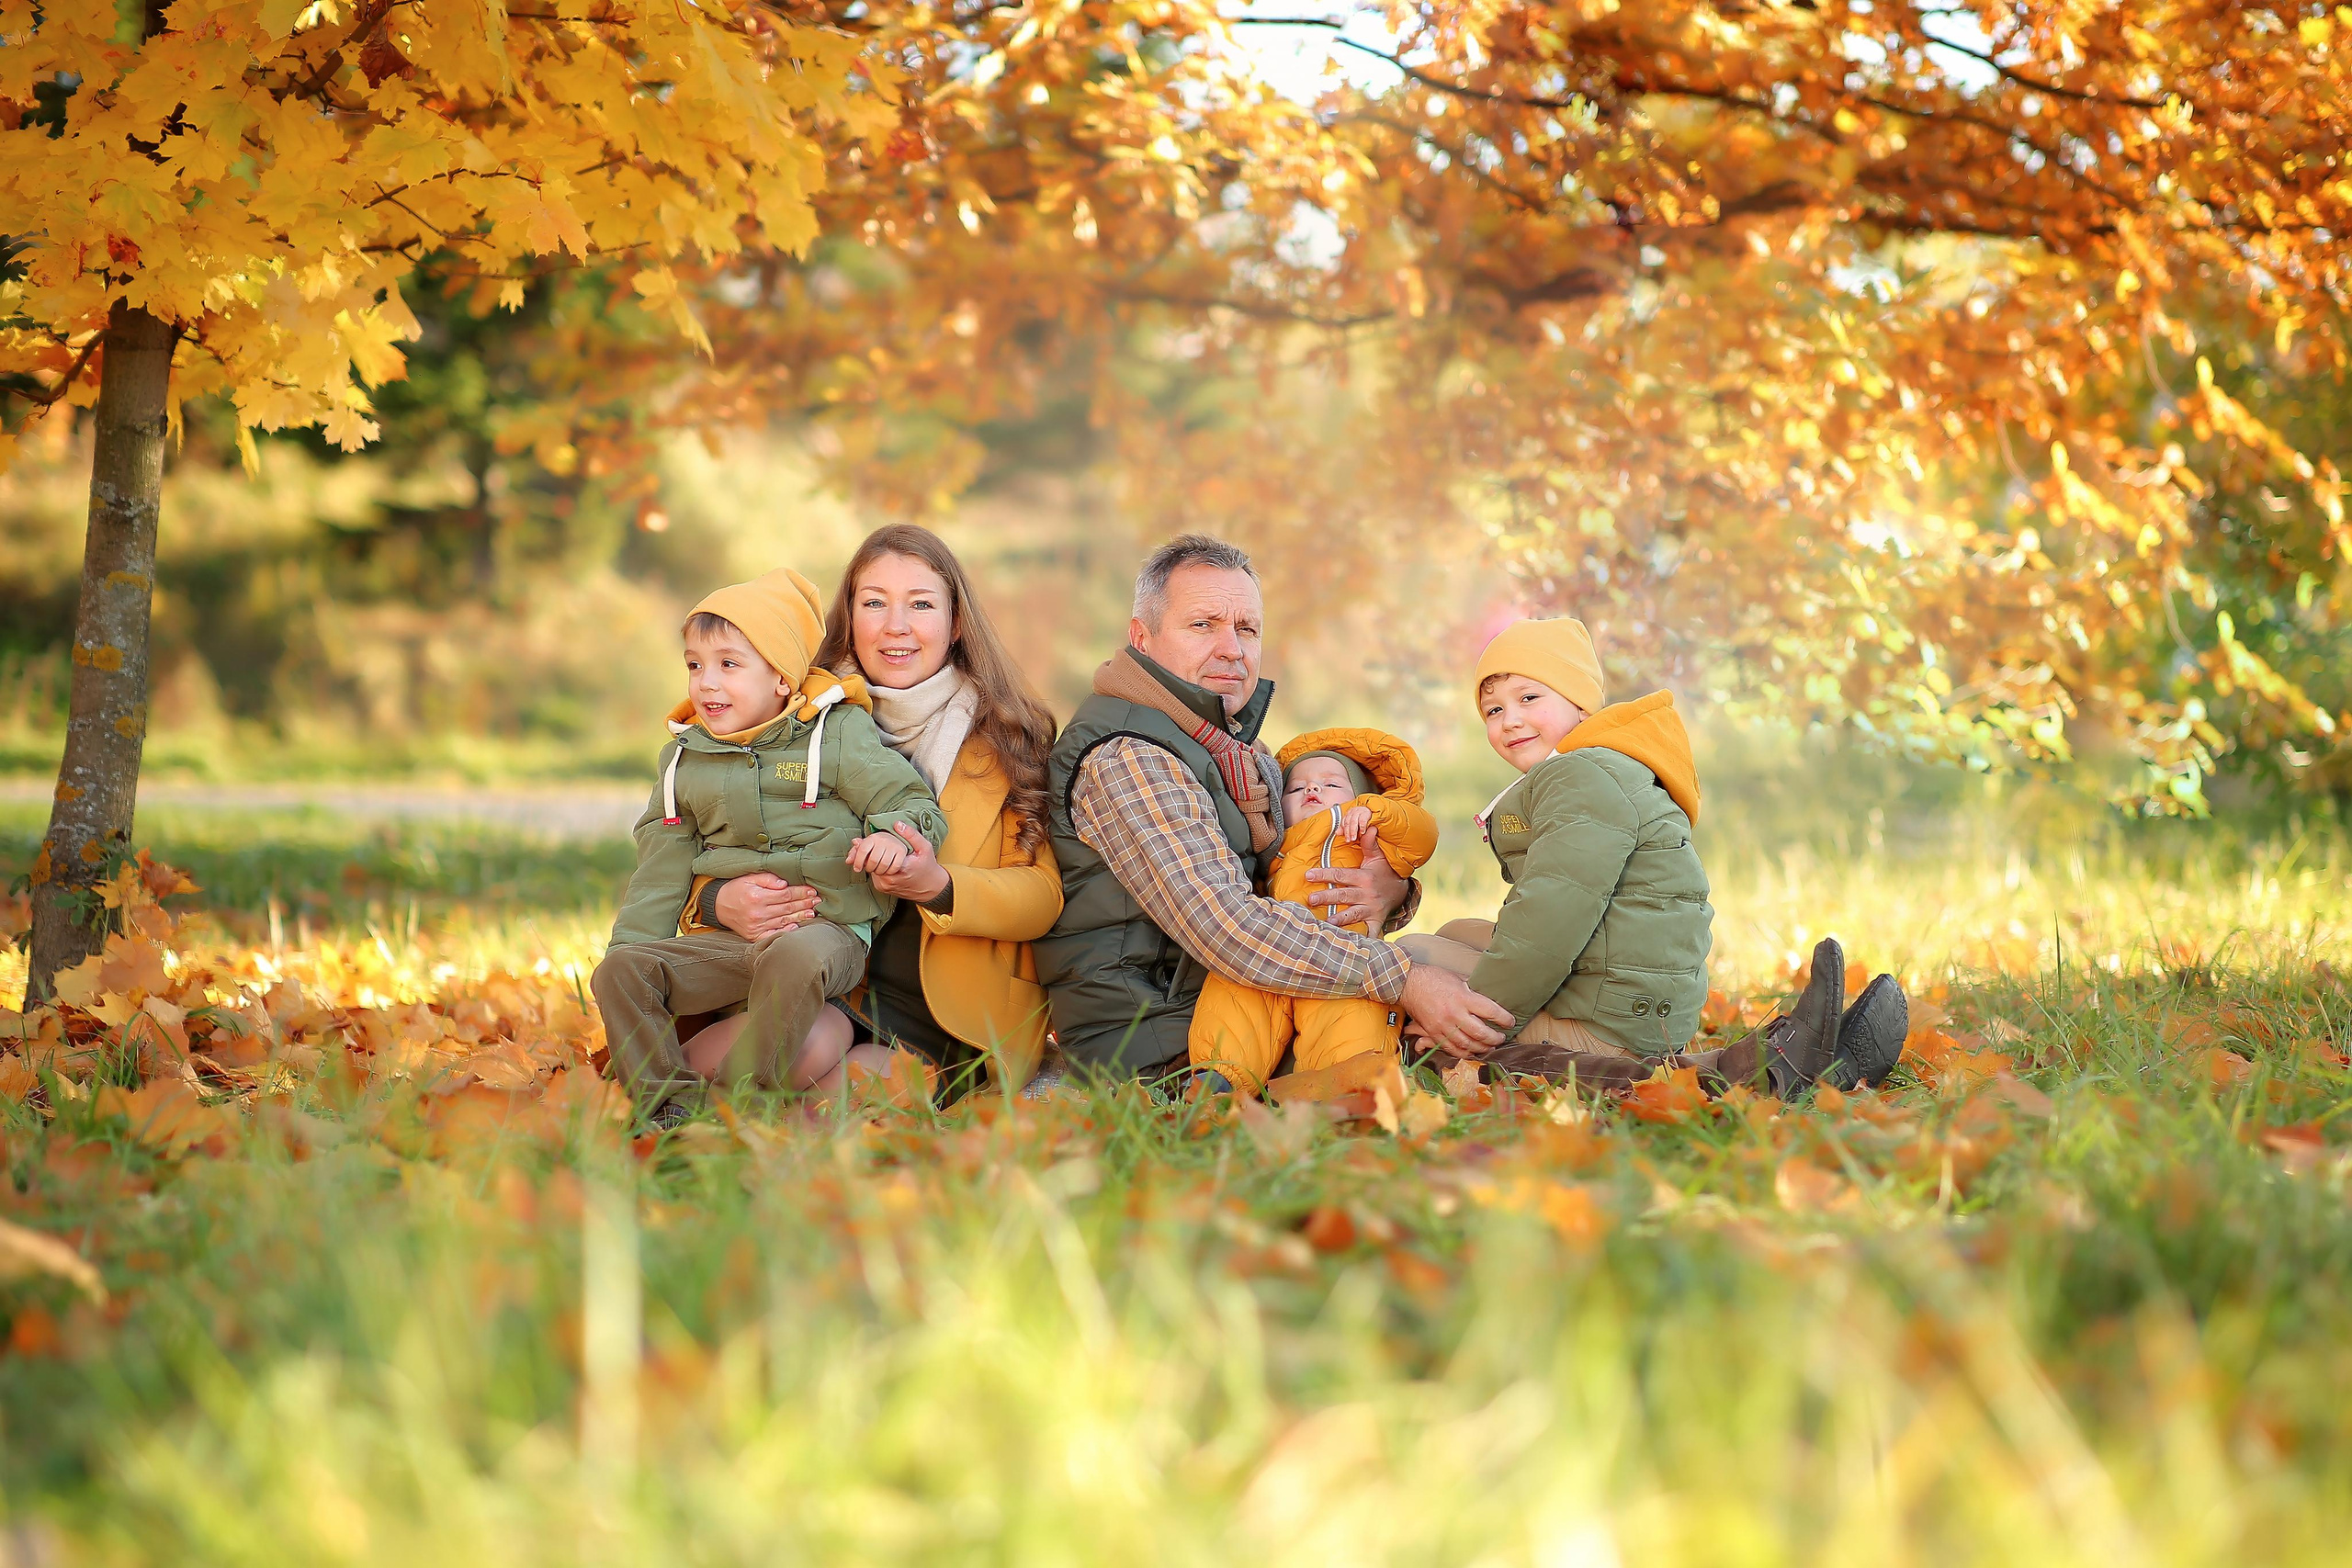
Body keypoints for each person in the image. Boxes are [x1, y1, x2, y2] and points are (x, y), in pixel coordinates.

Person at [1035, 535, 1517, 1082]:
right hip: (1167, 1042)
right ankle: (1603, 1077)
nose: (1231, 648)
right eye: (1203, 625)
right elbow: (1228, 927)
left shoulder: (1235, 751)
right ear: (1142, 639)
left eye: (1246, 629)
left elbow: (1287, 877)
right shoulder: (1129, 756)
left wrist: (1388, 888)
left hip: (1250, 1008)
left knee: (1463, 948)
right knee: (1450, 1020)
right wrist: (1402, 979)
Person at [1399, 615, 1907, 1094]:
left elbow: (1551, 915)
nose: (1510, 720)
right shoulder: (1600, 767)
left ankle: (1734, 1079)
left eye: (1529, 697)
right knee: (1455, 936)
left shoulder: (1579, 778)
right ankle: (1779, 1059)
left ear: (1580, 705)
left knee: (1414, 961)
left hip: (1616, 1013)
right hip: (1637, 997)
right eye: (1494, 710)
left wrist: (1479, 1016)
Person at [684, 525, 1065, 1102]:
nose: (897, 627)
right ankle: (657, 1109)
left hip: (942, 1014)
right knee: (790, 1055)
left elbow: (1042, 897)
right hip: (822, 982)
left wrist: (939, 886)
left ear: (956, 623)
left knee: (830, 1103)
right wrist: (717, 900)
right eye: (874, 603)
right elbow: (688, 857)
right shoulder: (788, 719)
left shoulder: (1007, 737)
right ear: (849, 618)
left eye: (921, 604)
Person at [590, 567, 949, 1127]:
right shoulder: (685, 761)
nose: (706, 683)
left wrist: (891, 840)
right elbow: (658, 878)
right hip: (734, 944)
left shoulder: (836, 734)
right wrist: (638, 955)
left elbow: (908, 801)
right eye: (694, 665)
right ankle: (665, 1108)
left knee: (796, 955)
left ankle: (752, 1107)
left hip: (826, 936)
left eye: (729, 664)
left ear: (782, 678)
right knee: (620, 969)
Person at [1187, 728, 1442, 1095]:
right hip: (1272, 951)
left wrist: (1379, 811)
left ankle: (1346, 1089)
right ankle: (1220, 1079)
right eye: (1296, 789)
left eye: (1331, 785)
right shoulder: (1274, 848)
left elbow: (1421, 836)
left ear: (1361, 795)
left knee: (1349, 1020)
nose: (1312, 791)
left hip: (1349, 957)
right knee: (1234, 996)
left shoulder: (1366, 831)